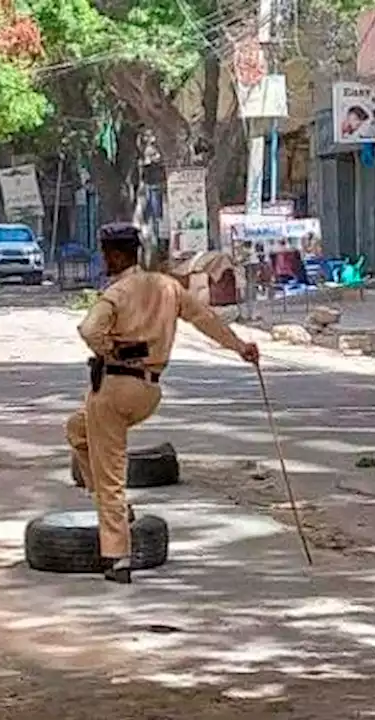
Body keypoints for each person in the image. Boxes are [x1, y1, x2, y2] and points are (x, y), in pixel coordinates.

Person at [66, 222, 260, 584]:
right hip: (149, 391)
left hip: (114, 387)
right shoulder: (168, 287)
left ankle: (118, 556)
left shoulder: (117, 293)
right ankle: (120, 512)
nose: (104, 259)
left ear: (118, 254)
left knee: (110, 475)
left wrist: (110, 348)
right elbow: (205, 318)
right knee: (77, 430)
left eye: (107, 253)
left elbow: (89, 330)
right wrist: (240, 347)